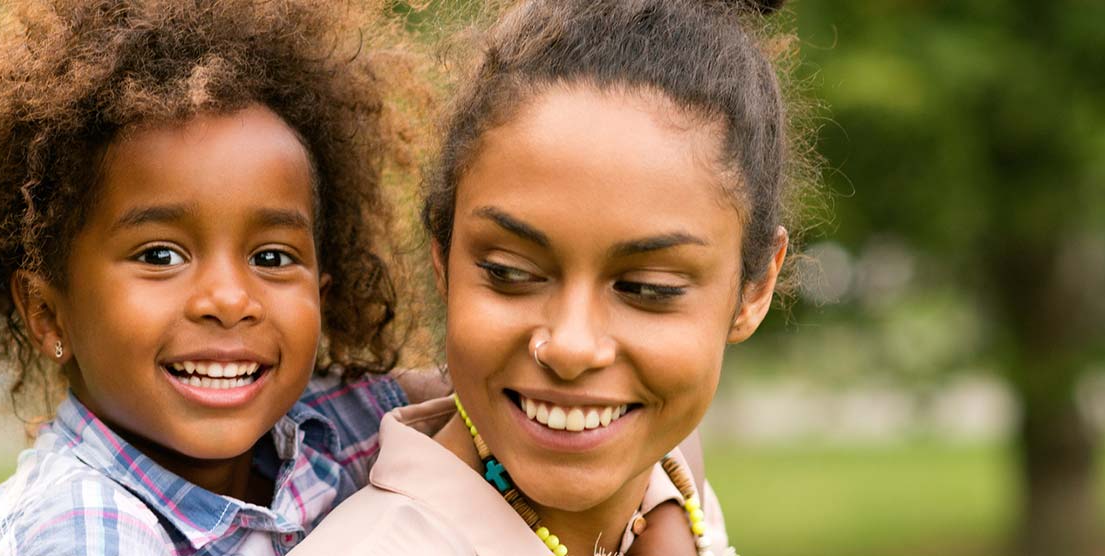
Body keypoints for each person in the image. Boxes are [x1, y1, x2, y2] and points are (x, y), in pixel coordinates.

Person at [0, 1, 427, 553]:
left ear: (320, 299)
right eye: (160, 256)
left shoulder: (319, 432)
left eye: (272, 258)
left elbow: (463, 396)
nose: (229, 300)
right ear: (47, 312)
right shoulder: (85, 524)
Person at [293, 0, 816, 554]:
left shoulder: (674, 503)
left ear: (754, 288)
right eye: (509, 273)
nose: (570, 347)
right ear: (442, 258)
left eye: (647, 290)